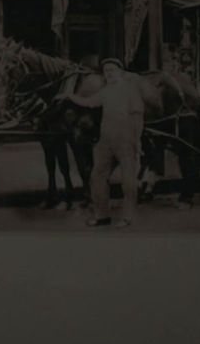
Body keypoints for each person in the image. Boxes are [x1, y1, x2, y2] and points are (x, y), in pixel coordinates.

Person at [60, 58, 149, 228]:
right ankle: (102, 216)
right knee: (97, 176)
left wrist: (137, 142)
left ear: (120, 72)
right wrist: (69, 96)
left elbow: (138, 117)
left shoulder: (130, 90)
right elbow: (89, 102)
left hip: (126, 139)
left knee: (128, 180)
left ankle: (127, 217)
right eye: (106, 71)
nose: (109, 73)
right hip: (105, 140)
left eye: (112, 70)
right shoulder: (106, 91)